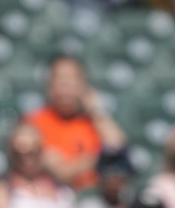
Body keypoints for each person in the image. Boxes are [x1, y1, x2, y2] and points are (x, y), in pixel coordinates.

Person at [24, 55, 126, 191]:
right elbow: (62, 172)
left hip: (94, 197)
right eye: (60, 78)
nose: (66, 85)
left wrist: (96, 110)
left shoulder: (93, 121)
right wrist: (102, 157)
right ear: (49, 85)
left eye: (72, 79)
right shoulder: (34, 122)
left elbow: (117, 146)